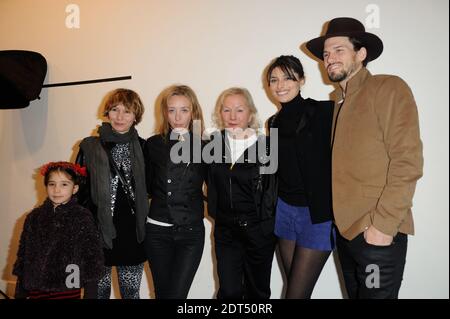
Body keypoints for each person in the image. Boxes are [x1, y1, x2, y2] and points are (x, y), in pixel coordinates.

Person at [306, 17, 423, 298]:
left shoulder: (388, 89)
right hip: (346, 236)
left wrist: (382, 226)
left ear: (361, 54)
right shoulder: (338, 104)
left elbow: (407, 162)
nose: (329, 58)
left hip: (377, 237)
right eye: (325, 54)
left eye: (338, 50)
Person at [266, 55, 335, 298]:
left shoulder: (324, 111)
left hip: (316, 216)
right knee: (294, 290)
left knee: (295, 294)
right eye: (274, 80)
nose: (280, 85)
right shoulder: (272, 123)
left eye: (287, 78)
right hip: (284, 212)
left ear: (302, 80)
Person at [76, 88, 149, 299]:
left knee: (130, 293)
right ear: (107, 112)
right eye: (115, 109)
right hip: (98, 233)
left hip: (133, 233)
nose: (120, 116)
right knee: (97, 294)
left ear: (136, 116)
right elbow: (78, 190)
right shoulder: (89, 147)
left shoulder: (145, 147)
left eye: (127, 111)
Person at [206, 87, 277, 299]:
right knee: (228, 292)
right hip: (226, 231)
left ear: (251, 113)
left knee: (258, 292)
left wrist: (266, 225)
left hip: (258, 231)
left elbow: (274, 188)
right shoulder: (212, 144)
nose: (233, 116)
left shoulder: (267, 146)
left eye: (239, 109)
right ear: (220, 114)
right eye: (226, 110)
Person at [143, 85, 206, 299]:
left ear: (193, 111)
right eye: (171, 110)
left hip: (191, 232)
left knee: (178, 296)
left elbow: (217, 185)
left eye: (184, 110)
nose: (177, 116)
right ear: (165, 113)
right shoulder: (153, 144)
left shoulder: (206, 146)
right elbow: (148, 186)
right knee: (162, 294)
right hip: (158, 231)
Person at [13, 161, 104, 299]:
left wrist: (91, 294)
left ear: (75, 188)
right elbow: (24, 257)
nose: (57, 190)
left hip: (67, 286)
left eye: (64, 184)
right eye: (52, 184)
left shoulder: (82, 217)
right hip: (36, 289)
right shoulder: (34, 217)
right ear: (46, 186)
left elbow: (92, 259)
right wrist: (20, 293)